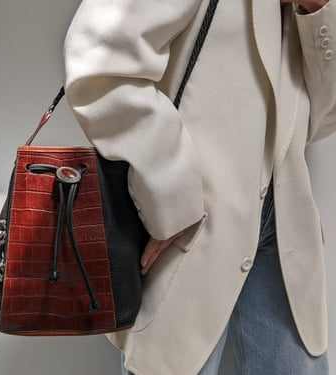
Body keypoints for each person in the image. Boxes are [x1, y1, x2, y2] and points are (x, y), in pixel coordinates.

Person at [63, 0, 336, 374]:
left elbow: (321, 119)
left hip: (286, 229)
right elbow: (100, 64)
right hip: (192, 227)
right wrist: (172, 199)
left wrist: (317, 11)